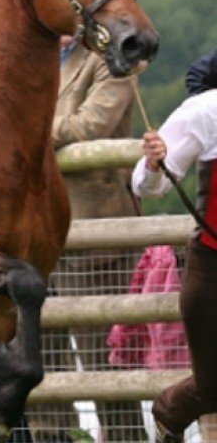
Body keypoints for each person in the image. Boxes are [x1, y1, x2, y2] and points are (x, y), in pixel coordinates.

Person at [36, 35, 147, 442]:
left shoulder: (110, 58)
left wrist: (25, 133)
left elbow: (91, 124)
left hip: (94, 230)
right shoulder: (30, 51)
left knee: (105, 363)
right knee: (39, 359)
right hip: (35, 230)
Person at [132, 88, 217, 443]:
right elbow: (146, 184)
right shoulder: (208, 110)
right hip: (213, 269)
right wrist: (155, 165)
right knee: (212, 389)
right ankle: (169, 413)